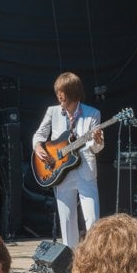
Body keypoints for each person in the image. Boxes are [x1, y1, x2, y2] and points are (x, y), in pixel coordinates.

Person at [31, 72, 104, 249]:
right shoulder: (53, 111)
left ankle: (95, 258)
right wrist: (38, 147)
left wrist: (98, 141)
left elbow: (95, 148)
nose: (59, 96)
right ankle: (71, 260)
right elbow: (38, 135)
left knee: (93, 219)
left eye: (62, 93)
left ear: (73, 93)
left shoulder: (92, 114)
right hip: (60, 172)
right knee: (67, 220)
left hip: (85, 172)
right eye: (57, 93)